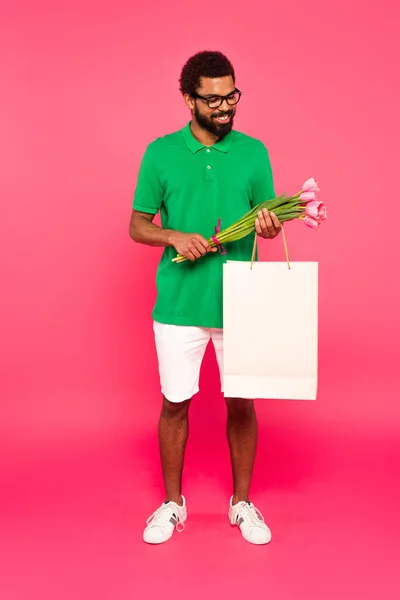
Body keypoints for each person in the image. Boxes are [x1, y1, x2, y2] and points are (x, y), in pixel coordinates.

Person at [129, 50, 281, 545]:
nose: (224, 107)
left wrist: (271, 225)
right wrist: (173, 236)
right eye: (212, 99)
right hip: (178, 305)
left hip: (242, 302)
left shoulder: (254, 152)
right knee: (175, 403)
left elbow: (268, 224)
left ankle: (243, 503)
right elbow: (137, 225)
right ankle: (172, 505)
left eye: (231, 96)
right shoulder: (160, 153)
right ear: (188, 99)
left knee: (242, 403)